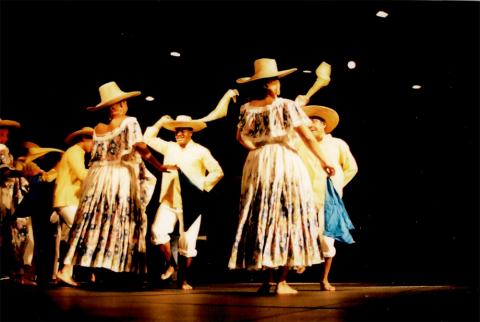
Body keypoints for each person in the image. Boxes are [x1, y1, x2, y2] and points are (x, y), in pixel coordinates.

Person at [228, 58, 335, 295]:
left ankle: (267, 280)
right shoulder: (286, 105)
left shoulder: (246, 108)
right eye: (276, 81)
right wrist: (324, 161)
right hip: (284, 161)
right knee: (288, 215)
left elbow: (240, 138)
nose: (279, 85)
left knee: (264, 215)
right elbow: (307, 137)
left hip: (258, 163)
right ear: (269, 84)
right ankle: (282, 282)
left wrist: (257, 149)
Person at [56, 81, 174, 286]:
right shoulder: (130, 122)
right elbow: (142, 148)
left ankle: (68, 268)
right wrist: (159, 166)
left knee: (92, 222)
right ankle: (122, 270)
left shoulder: (97, 129)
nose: (126, 104)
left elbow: (96, 157)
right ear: (117, 106)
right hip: (119, 176)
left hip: (98, 178)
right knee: (122, 220)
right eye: (124, 101)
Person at [144, 115, 224, 290]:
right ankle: (171, 264)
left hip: (191, 202)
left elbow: (217, 171)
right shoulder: (170, 147)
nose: (178, 133)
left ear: (191, 132)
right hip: (169, 199)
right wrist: (159, 122)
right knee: (157, 232)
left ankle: (183, 279)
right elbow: (147, 139)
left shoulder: (201, 151)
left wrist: (200, 186)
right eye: (176, 130)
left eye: (182, 130)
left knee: (187, 243)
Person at [297, 105, 358, 291]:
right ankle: (299, 263)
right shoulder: (301, 144)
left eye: (314, 121)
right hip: (305, 194)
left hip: (328, 197)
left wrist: (337, 186)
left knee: (327, 238)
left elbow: (351, 168)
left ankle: (324, 279)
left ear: (324, 124)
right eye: (308, 122)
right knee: (302, 232)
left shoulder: (338, 144)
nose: (311, 125)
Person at [51, 127, 94, 279]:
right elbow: (82, 175)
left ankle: (63, 271)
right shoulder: (75, 152)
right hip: (67, 199)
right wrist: (99, 173)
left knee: (70, 236)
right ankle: (66, 271)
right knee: (81, 232)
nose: (94, 145)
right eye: (92, 141)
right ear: (84, 139)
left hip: (68, 199)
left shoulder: (77, 153)